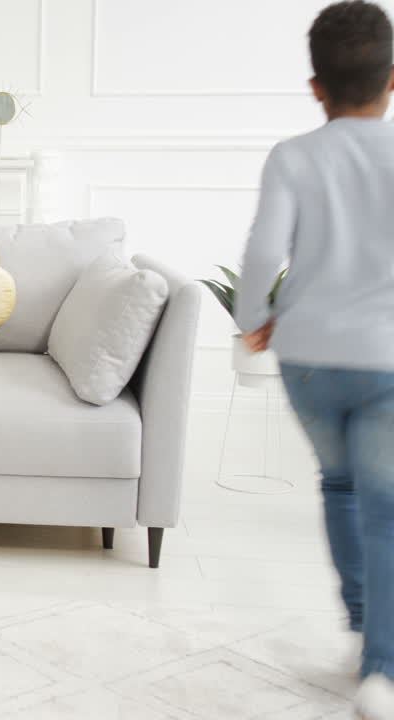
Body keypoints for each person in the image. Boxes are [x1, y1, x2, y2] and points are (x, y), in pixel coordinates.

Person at [235, 2, 394, 716]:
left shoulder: (293, 156)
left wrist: (253, 323)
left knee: (340, 487)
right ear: (393, 78)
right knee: (387, 509)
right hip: (387, 360)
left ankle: (362, 627)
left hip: (307, 358)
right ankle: (382, 670)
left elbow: (265, 252)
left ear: (315, 86)